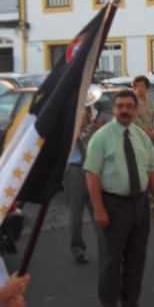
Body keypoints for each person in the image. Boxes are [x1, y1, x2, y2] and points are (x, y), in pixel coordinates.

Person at [84, 89, 154, 307]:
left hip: (139, 203)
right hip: (113, 204)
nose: (125, 110)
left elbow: (152, 170)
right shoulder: (101, 138)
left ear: (136, 109)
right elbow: (92, 174)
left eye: (129, 106)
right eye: (120, 106)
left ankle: (131, 306)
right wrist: (99, 209)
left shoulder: (141, 136)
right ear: (114, 109)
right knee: (111, 261)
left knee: (136, 258)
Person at [64, 96, 100, 264]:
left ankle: (106, 248)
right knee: (76, 213)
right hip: (75, 169)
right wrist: (80, 123)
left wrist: (96, 127)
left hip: (93, 169)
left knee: (98, 210)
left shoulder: (93, 117)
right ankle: (78, 249)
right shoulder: (68, 122)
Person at [132, 76, 154, 142]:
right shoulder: (133, 101)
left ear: (146, 87)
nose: (139, 88)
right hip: (138, 135)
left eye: (142, 86)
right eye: (137, 86)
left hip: (150, 135)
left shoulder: (149, 102)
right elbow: (135, 119)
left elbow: (153, 118)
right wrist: (147, 132)